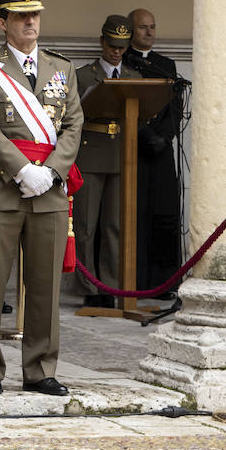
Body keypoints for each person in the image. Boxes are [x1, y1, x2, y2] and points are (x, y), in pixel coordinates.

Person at [0, 0, 82, 397]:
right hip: (0, 187)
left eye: (34, 15)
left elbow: (73, 125)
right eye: (19, 16)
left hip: (49, 190)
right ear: (3, 23)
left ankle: (41, 368)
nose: (29, 22)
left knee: (46, 285)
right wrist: (20, 170)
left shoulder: (61, 68)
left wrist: (50, 171)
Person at [73, 15, 141, 308]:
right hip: (90, 152)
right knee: (86, 225)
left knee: (115, 225)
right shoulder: (83, 75)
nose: (116, 52)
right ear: (102, 41)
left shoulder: (135, 77)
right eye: (112, 45)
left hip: (120, 156)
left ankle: (111, 284)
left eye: (122, 47)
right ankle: (89, 286)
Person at [126, 8, 183, 294]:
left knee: (165, 214)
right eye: (142, 28)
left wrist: (164, 136)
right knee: (134, 215)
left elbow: (175, 105)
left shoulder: (165, 64)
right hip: (133, 150)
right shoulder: (123, 61)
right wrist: (146, 135)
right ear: (130, 31)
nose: (149, 32)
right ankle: (134, 281)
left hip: (161, 152)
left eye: (152, 27)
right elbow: (123, 102)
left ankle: (164, 283)